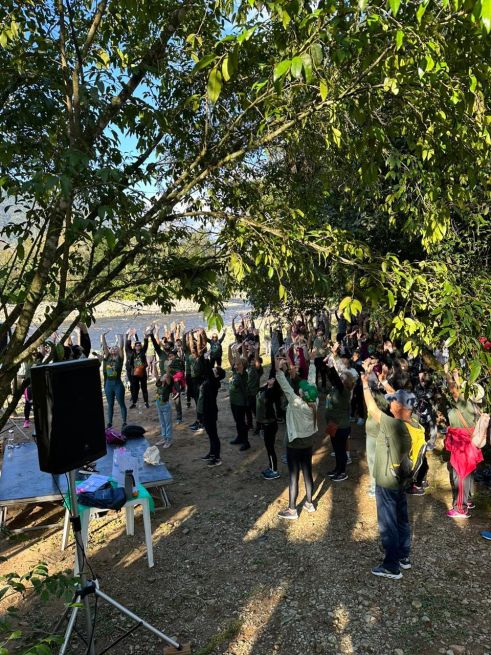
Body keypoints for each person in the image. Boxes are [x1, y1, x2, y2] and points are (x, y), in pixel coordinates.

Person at [362, 381, 415, 580]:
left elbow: (371, 408)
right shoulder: (413, 421)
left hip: (387, 481)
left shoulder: (392, 425)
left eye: (393, 402)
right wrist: (385, 383)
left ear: (399, 407)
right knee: (401, 519)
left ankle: (391, 566)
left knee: (388, 523)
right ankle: (403, 556)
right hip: (401, 478)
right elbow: (400, 399)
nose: (389, 404)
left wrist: (364, 384)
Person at [275, 354, 318, 519]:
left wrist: (279, 369)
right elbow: (311, 380)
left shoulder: (295, 402)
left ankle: (292, 510)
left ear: (302, 394)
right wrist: (312, 362)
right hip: (308, 442)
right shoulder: (314, 401)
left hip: (294, 444)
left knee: (293, 477)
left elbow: (285, 385)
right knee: (307, 473)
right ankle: (309, 503)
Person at [324, 343, 355, 482]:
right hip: (332, 424)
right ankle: (337, 469)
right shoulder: (337, 389)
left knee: (341, 450)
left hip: (341, 426)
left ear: (346, 382)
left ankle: (342, 472)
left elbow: (335, 379)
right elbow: (333, 378)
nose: (340, 379)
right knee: (336, 449)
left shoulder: (345, 392)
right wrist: (327, 367)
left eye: (342, 378)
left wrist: (332, 366)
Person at [197, 357, 226, 467]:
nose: (213, 369)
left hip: (211, 412)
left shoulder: (213, 383)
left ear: (216, 375)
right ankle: (212, 453)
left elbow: (208, 370)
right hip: (207, 411)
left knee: (213, 435)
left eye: (215, 370)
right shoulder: (211, 380)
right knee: (210, 434)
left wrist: (205, 358)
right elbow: (206, 371)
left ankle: (217, 458)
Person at [101, 331, 127, 428]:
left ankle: (124, 422)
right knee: (110, 404)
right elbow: (105, 347)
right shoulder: (107, 358)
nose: (113, 349)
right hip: (108, 384)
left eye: (115, 348)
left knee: (121, 403)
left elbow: (121, 347)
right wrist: (103, 336)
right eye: (112, 348)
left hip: (117, 384)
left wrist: (121, 337)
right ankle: (110, 423)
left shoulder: (120, 359)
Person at [256, 377, 280, 480]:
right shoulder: (266, 389)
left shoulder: (272, 393)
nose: (270, 379)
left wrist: (270, 387)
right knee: (268, 447)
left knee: (270, 448)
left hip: (270, 425)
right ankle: (271, 468)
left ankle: (274, 471)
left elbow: (268, 395)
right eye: (270, 378)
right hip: (266, 425)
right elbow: (259, 390)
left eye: (273, 379)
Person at [228, 345, 250, 451]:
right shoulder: (236, 371)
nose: (236, 365)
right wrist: (230, 348)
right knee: (237, 421)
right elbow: (230, 359)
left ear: (242, 366)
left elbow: (237, 361)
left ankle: (246, 442)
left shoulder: (242, 373)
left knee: (241, 422)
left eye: (238, 364)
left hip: (240, 403)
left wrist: (237, 351)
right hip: (234, 401)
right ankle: (239, 437)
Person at [125, 328, 149, 408]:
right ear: (134, 347)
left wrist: (145, 336)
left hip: (143, 373)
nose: (138, 346)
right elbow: (127, 346)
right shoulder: (131, 352)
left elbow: (146, 344)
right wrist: (129, 336)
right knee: (135, 388)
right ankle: (134, 403)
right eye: (137, 345)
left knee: (144, 388)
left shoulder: (143, 351)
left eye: (139, 345)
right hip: (134, 373)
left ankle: (146, 402)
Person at [155, 369, 174, 448]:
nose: (163, 376)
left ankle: (168, 440)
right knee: (162, 423)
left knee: (167, 424)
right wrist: (154, 365)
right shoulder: (159, 384)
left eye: (165, 376)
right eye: (163, 376)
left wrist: (167, 371)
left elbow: (168, 377)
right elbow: (156, 375)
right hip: (159, 405)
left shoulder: (168, 386)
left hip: (166, 406)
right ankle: (164, 438)